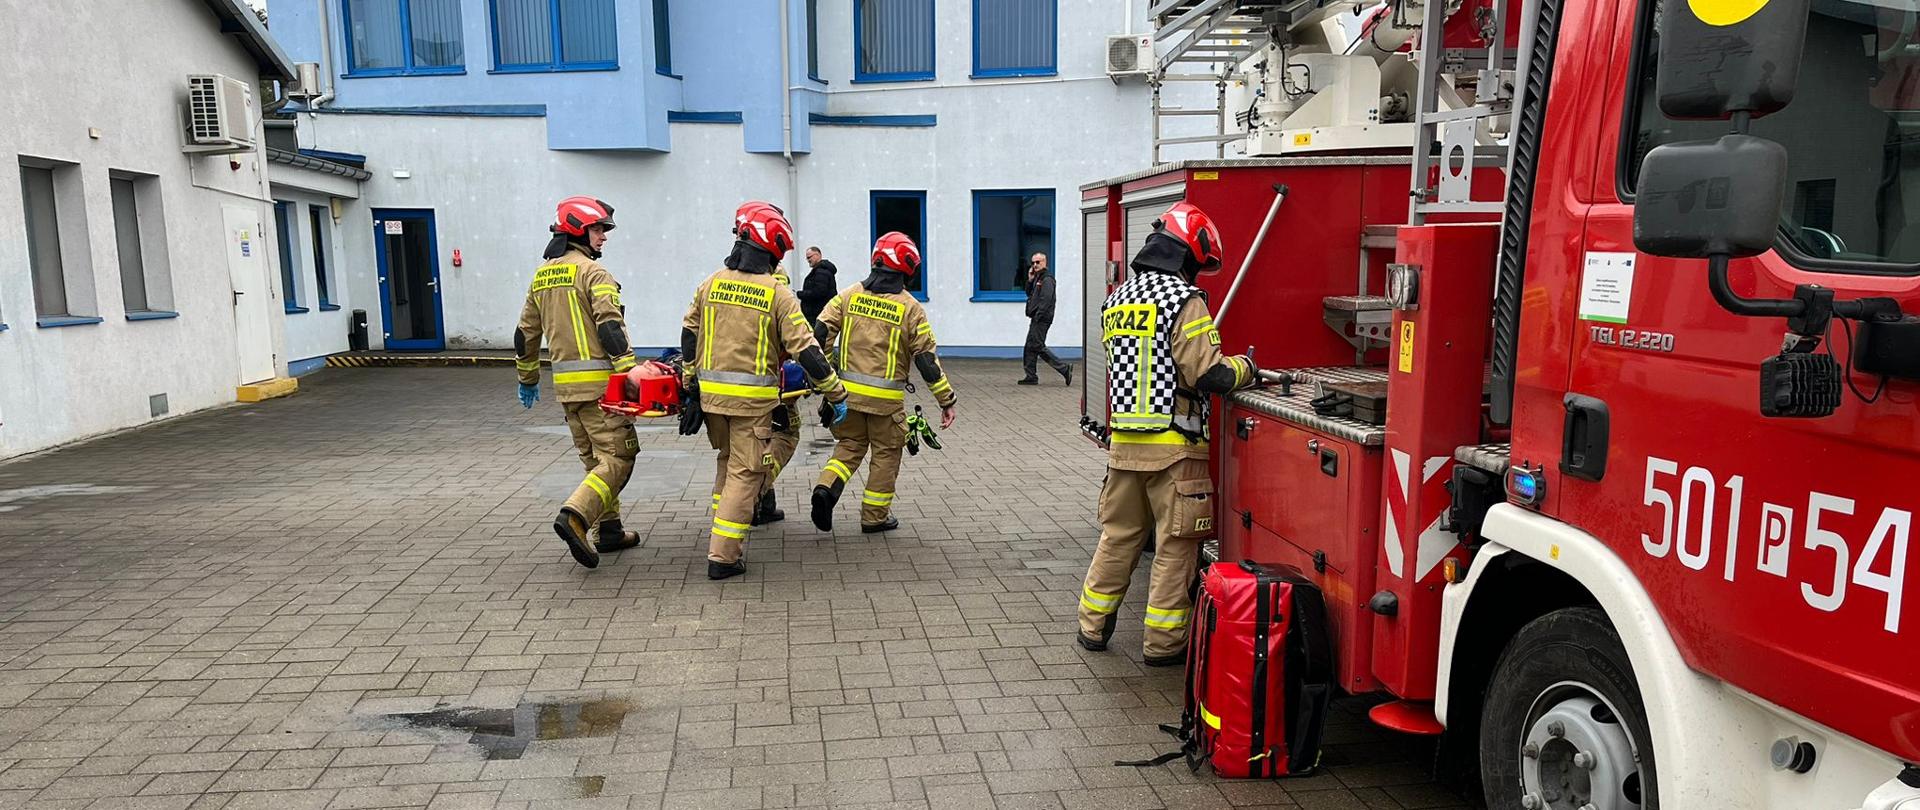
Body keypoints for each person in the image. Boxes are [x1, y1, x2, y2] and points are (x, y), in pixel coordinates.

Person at [1075, 202, 1258, 666]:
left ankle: (1091, 627)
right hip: (1176, 449)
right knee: (1176, 548)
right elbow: (1208, 375)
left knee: (1118, 537)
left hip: (1124, 448)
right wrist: (1248, 368)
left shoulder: (1117, 298)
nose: (1198, 273)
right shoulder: (1183, 299)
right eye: (1199, 263)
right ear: (1189, 250)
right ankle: (1163, 646)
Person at [681, 201, 849, 580]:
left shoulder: (710, 283)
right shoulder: (776, 293)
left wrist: (690, 384)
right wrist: (836, 394)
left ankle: (719, 526)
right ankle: (723, 557)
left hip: (711, 400)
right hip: (751, 405)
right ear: (768, 250)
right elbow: (808, 351)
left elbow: (689, 333)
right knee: (746, 473)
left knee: (727, 462)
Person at [513, 196, 643, 569]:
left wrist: (528, 377)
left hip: (568, 391)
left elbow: (525, 335)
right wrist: (629, 373)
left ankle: (611, 531)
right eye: (598, 229)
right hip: (603, 389)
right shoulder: (593, 274)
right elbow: (609, 326)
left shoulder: (542, 275)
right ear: (577, 230)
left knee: (595, 462)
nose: (603, 237)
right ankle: (575, 517)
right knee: (619, 458)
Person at [809, 232, 958, 534]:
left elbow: (821, 331)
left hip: (846, 397)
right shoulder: (910, 307)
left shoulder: (849, 295)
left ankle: (825, 489)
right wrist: (946, 400)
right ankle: (874, 517)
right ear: (907, 268)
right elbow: (926, 361)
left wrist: (826, 378)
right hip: (886, 404)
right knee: (886, 454)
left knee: (849, 446)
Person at [1018, 253, 1073, 386]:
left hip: (1042, 318)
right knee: (1030, 346)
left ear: (1044, 262)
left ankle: (1064, 368)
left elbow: (1046, 299)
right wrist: (1030, 280)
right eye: (1033, 263)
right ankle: (1031, 376)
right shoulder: (1037, 278)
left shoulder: (1047, 279)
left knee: (1036, 345)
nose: (1035, 265)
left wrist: (1038, 315)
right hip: (1037, 317)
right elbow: (1028, 293)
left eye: (1038, 262)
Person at [798, 246, 838, 325]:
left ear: (817, 255)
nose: (808, 260)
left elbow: (819, 292)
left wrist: (801, 294)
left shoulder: (821, 272)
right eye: (807, 258)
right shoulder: (821, 270)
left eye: (809, 257)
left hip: (817, 316)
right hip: (820, 316)